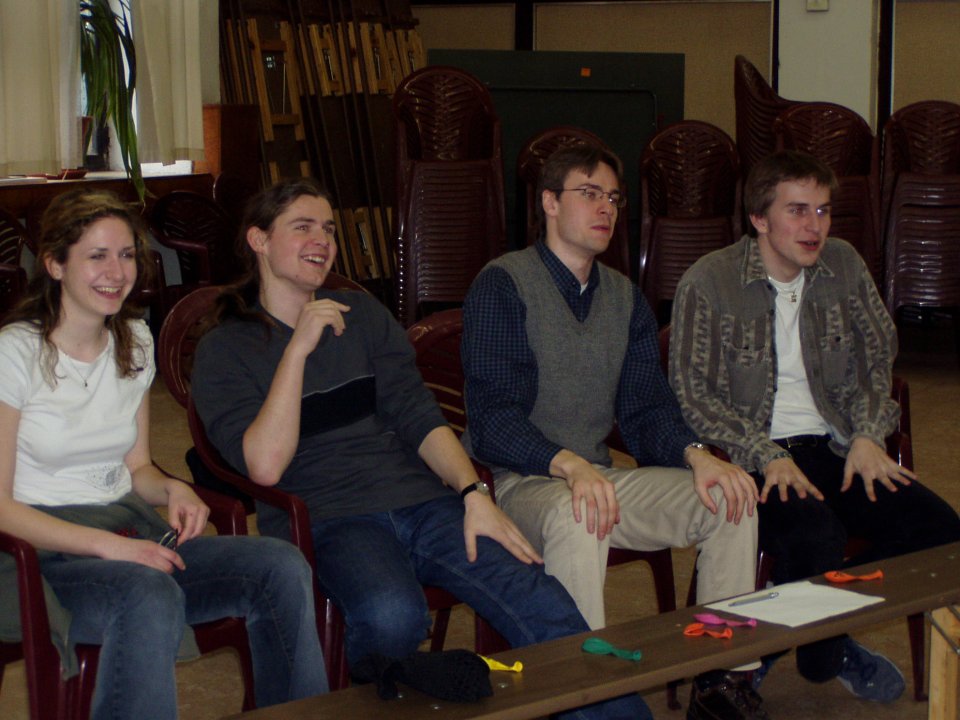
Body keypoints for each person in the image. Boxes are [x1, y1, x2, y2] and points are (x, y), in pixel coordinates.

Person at [191, 177, 651, 720]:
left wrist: (474, 494)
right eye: (303, 227)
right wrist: (297, 350)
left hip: (422, 500)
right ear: (259, 240)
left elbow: (418, 416)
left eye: (329, 229)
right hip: (331, 517)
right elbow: (265, 468)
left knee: (538, 595)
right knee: (392, 616)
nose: (322, 240)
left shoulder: (362, 315)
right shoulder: (225, 347)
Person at [460, 143, 765, 720]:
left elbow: (647, 409)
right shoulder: (504, 284)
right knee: (581, 513)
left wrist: (698, 455)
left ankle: (721, 682)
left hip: (595, 476)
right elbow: (494, 419)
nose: (605, 208)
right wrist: (568, 464)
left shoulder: (625, 297)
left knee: (732, 496)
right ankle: (588, 700)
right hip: (515, 482)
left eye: (614, 198)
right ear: (550, 202)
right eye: (589, 193)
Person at [0, 189, 329, 720]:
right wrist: (109, 547)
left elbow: (136, 468)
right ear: (56, 264)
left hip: (126, 534)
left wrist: (174, 488)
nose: (117, 272)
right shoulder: (14, 352)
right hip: (36, 557)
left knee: (278, 566)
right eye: (97, 256)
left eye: (127, 254)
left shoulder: (133, 340)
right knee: (147, 593)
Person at [670, 150, 960, 703]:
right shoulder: (710, 281)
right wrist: (765, 454)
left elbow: (878, 360)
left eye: (823, 211)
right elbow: (693, 394)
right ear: (759, 218)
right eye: (798, 210)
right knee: (817, 535)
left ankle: (796, 637)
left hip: (836, 445)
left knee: (940, 532)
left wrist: (869, 434)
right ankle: (827, 644)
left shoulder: (843, 266)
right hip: (750, 456)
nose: (815, 226)